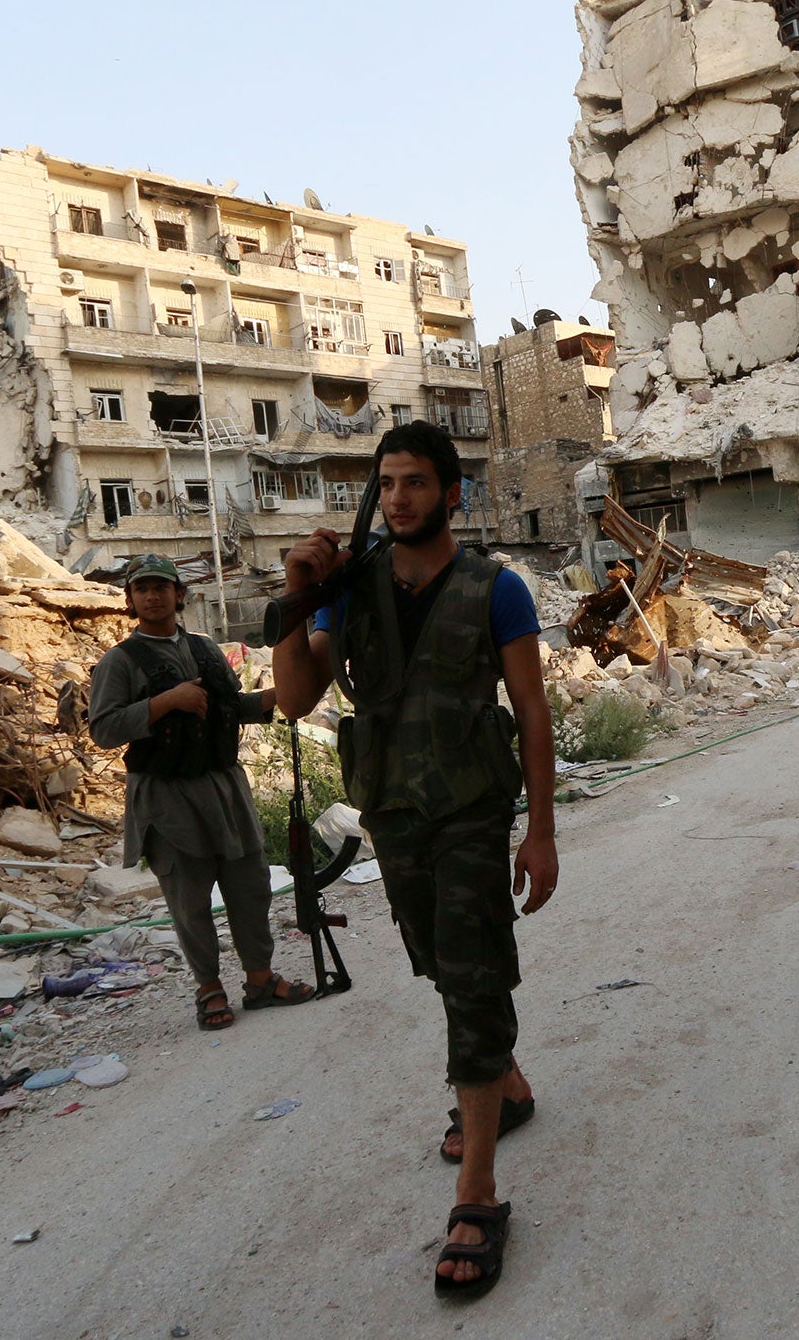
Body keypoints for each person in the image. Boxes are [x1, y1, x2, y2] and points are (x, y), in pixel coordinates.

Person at [273, 421, 558, 1300]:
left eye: (416, 483)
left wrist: (539, 829)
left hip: (471, 810)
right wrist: (295, 594)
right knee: (437, 961)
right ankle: (503, 1087)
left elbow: (533, 710)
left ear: (451, 494)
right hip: (392, 810)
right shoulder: (348, 590)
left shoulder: (493, 589)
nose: (398, 498)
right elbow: (293, 696)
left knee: (471, 975)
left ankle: (477, 1197)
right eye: (387, 483)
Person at [88, 554, 316, 1031]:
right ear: (130, 600)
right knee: (190, 898)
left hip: (223, 786)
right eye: (142, 589)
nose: (153, 595)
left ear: (179, 595)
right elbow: (104, 729)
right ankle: (209, 988)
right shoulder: (119, 661)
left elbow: (230, 708)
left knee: (249, 886)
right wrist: (165, 702)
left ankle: (259, 979)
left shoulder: (206, 648)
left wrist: (280, 696)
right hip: (167, 795)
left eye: (161, 587)